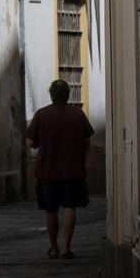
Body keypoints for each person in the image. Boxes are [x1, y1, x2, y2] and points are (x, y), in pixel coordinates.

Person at [25, 78, 94, 259]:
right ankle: (66, 248)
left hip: (47, 171)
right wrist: (82, 158)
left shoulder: (41, 114)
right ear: (68, 95)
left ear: (51, 95)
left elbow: (31, 142)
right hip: (72, 170)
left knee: (51, 209)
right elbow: (87, 141)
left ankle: (53, 247)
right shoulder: (77, 114)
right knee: (70, 207)